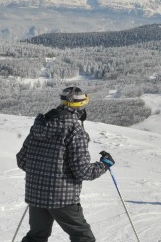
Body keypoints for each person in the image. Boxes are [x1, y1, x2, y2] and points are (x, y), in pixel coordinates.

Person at [16, 86, 115, 242]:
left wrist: (42, 171)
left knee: (36, 237)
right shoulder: (75, 130)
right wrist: (104, 165)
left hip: (35, 195)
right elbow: (82, 171)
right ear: (80, 107)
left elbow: (22, 161)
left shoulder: (39, 127)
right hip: (62, 198)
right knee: (83, 238)